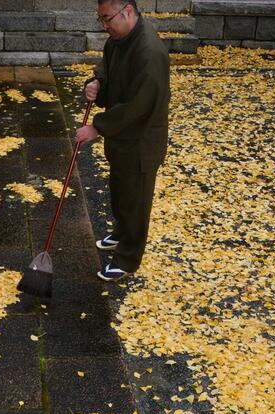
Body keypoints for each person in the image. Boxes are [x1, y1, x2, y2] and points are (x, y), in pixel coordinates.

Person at [75, 0, 171, 281]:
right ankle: (121, 231)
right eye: (101, 20)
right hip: (122, 137)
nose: (104, 26)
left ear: (127, 11)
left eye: (107, 19)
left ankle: (129, 258)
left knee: (136, 197)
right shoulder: (118, 39)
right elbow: (106, 67)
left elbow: (139, 105)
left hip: (141, 140)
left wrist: (97, 127)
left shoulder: (150, 52)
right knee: (120, 189)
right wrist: (95, 83)